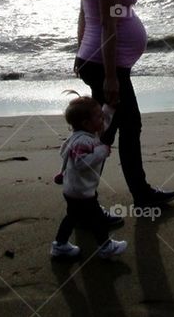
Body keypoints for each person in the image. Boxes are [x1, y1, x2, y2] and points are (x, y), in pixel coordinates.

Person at [68, 0, 174, 208]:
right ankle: (121, 196)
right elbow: (107, 25)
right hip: (107, 65)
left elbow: (84, 16)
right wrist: (112, 78)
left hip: (100, 62)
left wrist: (82, 52)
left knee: (108, 130)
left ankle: (83, 194)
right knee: (123, 128)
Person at [51, 94, 128, 259]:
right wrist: (101, 152)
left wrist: (109, 107)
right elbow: (80, 163)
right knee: (97, 219)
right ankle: (106, 246)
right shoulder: (83, 142)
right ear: (87, 123)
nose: (102, 120)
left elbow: (104, 123)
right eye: (98, 117)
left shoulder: (83, 135)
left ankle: (60, 244)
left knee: (72, 217)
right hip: (81, 191)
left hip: (73, 189)